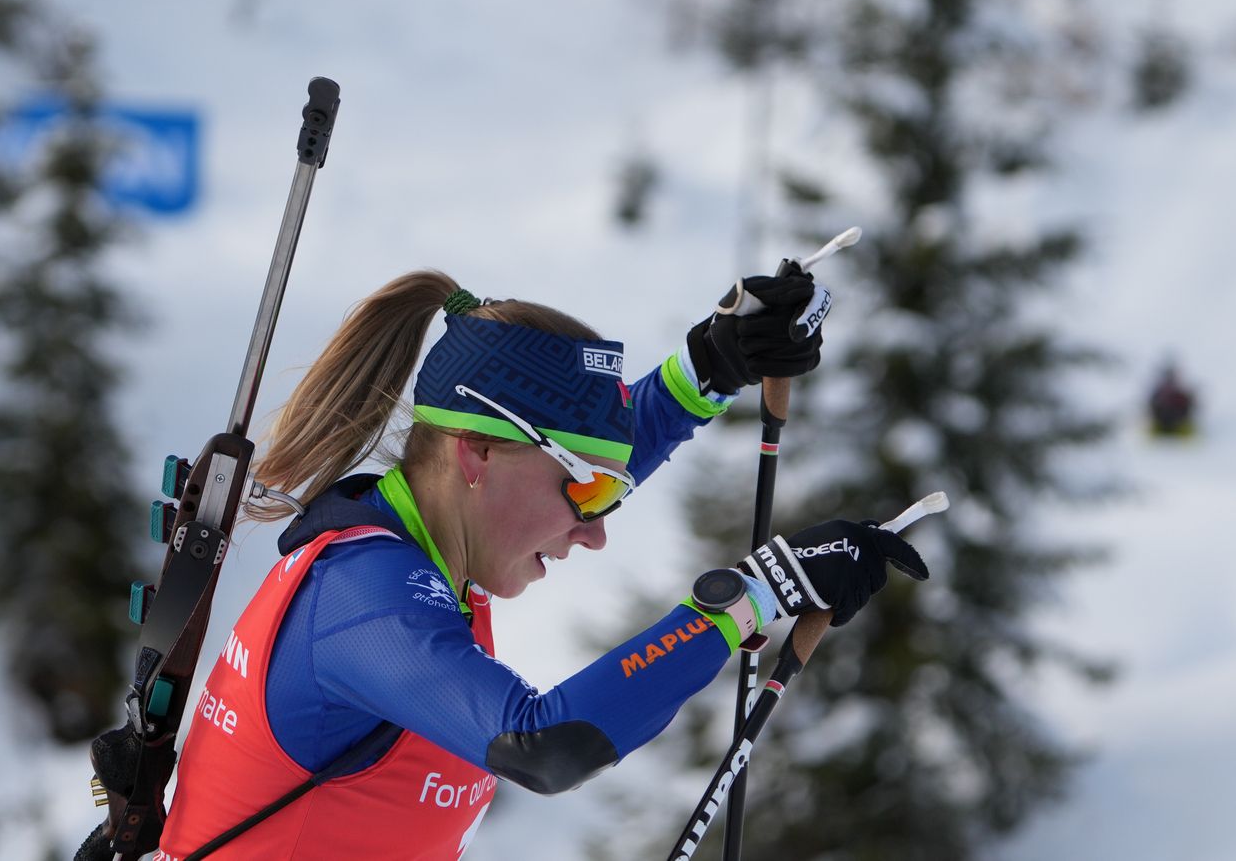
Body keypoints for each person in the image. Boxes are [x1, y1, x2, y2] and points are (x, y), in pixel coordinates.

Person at [153, 268, 927, 860]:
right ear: (478, 453)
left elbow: (595, 446)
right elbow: (545, 746)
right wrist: (755, 595)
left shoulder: (424, 552)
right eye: (585, 492)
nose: (593, 531)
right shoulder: (364, 596)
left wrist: (712, 366)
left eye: (610, 496)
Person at [1148, 361, 1198, 437]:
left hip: (1178, 424)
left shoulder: (1180, 392)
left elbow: (1189, 406)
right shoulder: (1159, 392)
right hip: (1162, 424)